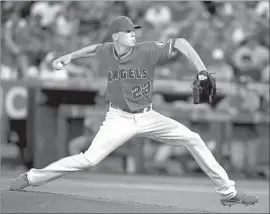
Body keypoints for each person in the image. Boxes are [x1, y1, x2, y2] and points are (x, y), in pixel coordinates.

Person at [8, 16, 258, 207]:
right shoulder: (107, 51)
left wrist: (201, 69)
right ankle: (31, 178)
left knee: (193, 138)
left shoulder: (147, 50)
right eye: (128, 32)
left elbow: (180, 42)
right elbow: (95, 48)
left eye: (134, 31)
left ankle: (228, 194)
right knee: (88, 159)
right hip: (119, 118)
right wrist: (68, 57)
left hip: (149, 117)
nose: (133, 35)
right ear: (116, 36)